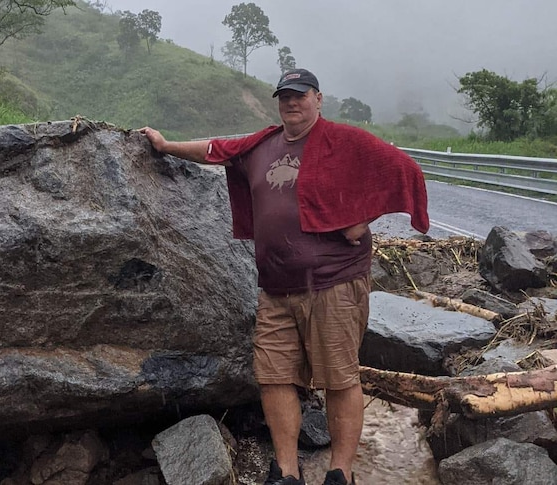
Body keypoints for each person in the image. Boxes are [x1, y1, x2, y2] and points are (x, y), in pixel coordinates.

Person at [140, 68, 429, 485]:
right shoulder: (263, 143)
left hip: (333, 283)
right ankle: (287, 472)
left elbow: (404, 169)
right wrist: (165, 145)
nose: (292, 103)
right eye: (284, 96)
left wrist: (364, 218)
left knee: (339, 378)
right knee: (274, 377)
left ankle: (340, 472)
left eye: (300, 95)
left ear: (318, 99)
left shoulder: (344, 140)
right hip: (275, 288)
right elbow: (214, 149)